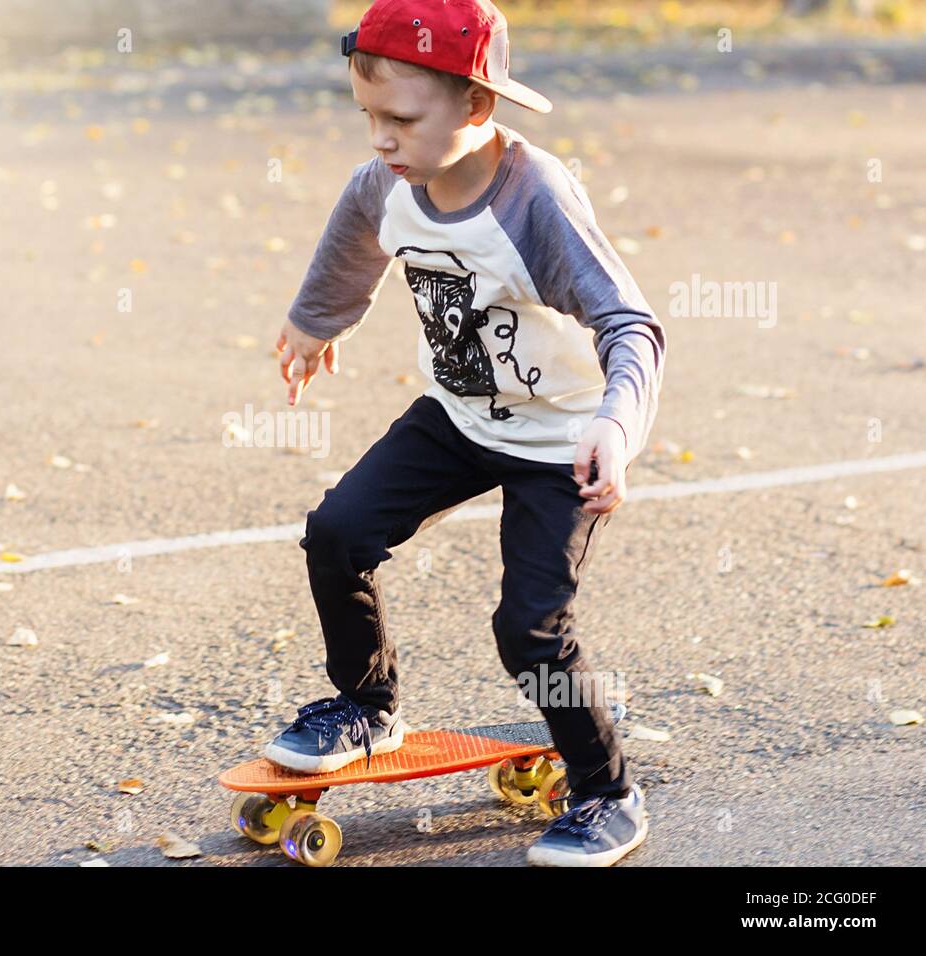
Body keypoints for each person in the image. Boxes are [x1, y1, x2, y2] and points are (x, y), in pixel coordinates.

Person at [268, 0, 666, 867]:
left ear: (477, 107)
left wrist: (615, 424)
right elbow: (353, 244)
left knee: (529, 628)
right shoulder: (388, 179)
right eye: (368, 116)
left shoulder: (536, 201)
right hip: (456, 417)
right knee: (338, 532)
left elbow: (631, 324)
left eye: (401, 120)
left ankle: (607, 792)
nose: (380, 139)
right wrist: (315, 324)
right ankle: (368, 709)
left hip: (561, 438)